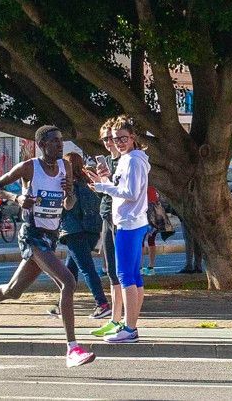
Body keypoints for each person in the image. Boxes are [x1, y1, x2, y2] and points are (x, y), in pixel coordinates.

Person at [0, 125, 96, 368]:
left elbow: (68, 205)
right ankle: (72, 348)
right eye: (54, 141)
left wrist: (70, 195)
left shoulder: (65, 167)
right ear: (42, 145)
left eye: (61, 141)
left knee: (13, 290)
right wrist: (17, 198)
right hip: (31, 234)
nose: (60, 145)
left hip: (51, 235)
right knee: (68, 281)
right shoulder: (30, 167)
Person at [84, 115, 151, 343]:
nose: (119, 142)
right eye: (115, 139)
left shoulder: (133, 160)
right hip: (131, 221)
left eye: (123, 138)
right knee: (133, 276)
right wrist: (105, 183)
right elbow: (123, 187)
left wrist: (105, 187)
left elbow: (131, 193)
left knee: (126, 276)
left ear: (132, 138)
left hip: (129, 223)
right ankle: (128, 324)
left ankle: (130, 328)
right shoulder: (128, 159)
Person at [60, 170, 111, 319]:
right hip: (92, 231)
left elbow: (67, 207)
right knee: (70, 270)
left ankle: (102, 303)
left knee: (86, 269)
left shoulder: (70, 186)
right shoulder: (90, 185)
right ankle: (61, 304)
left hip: (74, 231)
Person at [90, 121, 124, 336]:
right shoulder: (109, 162)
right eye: (104, 139)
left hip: (120, 218)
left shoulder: (124, 161)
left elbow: (122, 190)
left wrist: (106, 181)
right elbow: (106, 193)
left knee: (123, 271)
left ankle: (124, 320)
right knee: (111, 270)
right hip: (107, 215)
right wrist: (98, 183)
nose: (108, 143)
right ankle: (115, 318)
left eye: (110, 138)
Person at [142, 186, 160, 275]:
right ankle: (151, 266)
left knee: (141, 240)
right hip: (153, 208)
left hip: (144, 209)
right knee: (151, 239)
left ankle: (140, 267)